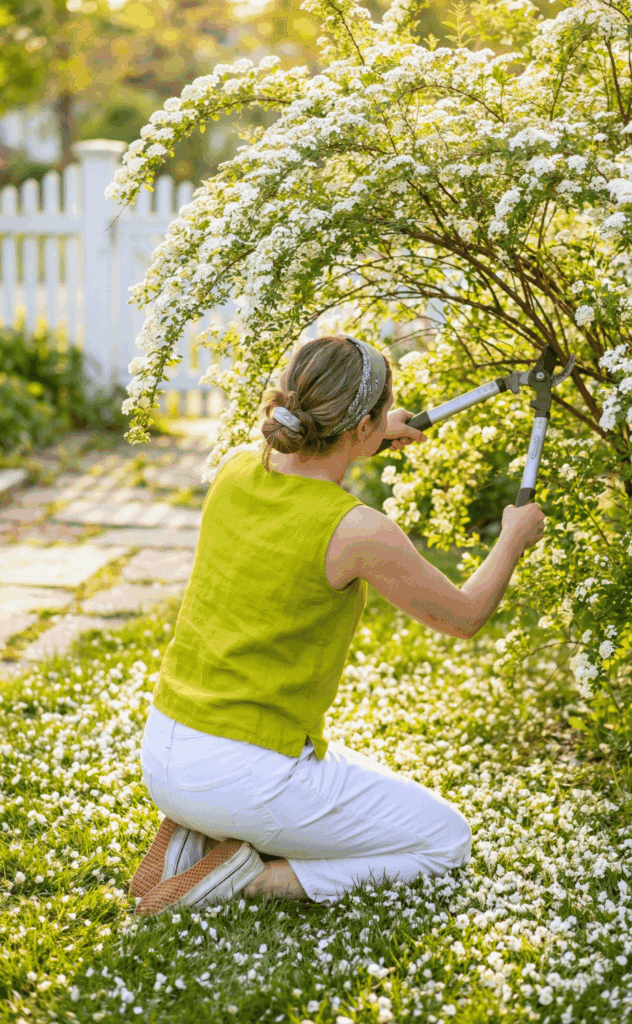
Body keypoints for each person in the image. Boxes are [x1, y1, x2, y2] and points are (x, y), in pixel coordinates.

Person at [131, 334, 545, 915]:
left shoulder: (236, 468)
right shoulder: (356, 531)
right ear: (359, 427)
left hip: (165, 751)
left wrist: (365, 438)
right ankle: (248, 879)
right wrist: (513, 537)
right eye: (378, 416)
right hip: (243, 775)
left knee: (348, 777)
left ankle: (194, 836)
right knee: (444, 839)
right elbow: (465, 615)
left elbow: (308, 468)